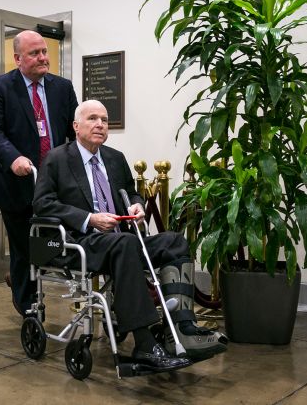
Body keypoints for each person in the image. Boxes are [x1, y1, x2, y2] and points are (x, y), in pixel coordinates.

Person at [33, 100, 227, 369]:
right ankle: (145, 344)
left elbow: (131, 192)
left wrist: (136, 204)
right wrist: (90, 219)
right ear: (76, 126)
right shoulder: (57, 159)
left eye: (104, 119)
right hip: (82, 241)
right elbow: (42, 203)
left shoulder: (115, 158)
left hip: (121, 239)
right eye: (92, 119)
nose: (100, 124)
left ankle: (182, 328)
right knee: (124, 244)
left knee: (175, 241)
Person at [0, 30, 78, 318]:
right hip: (16, 183)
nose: (43, 58)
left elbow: (73, 130)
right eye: (35, 53)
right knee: (23, 248)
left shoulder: (62, 87)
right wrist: (13, 158)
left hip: (52, 184)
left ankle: (20, 279)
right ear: (18, 58)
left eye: (45, 51)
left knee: (48, 245)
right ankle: (29, 308)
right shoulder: (1, 87)